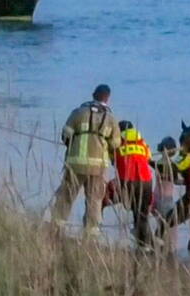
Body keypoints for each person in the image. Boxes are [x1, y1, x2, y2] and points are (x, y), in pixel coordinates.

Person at [51, 84, 121, 238]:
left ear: (93, 95)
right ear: (108, 98)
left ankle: (57, 228)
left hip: (75, 164)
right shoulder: (111, 119)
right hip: (98, 168)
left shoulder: (78, 112)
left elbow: (65, 135)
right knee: (94, 201)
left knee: (66, 196)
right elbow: (116, 144)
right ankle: (91, 235)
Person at [114, 120, 154, 248]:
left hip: (129, 180)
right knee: (143, 213)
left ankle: (143, 243)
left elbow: (112, 159)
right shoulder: (142, 142)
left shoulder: (118, 142)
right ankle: (144, 242)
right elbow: (148, 157)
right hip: (146, 180)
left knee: (136, 211)